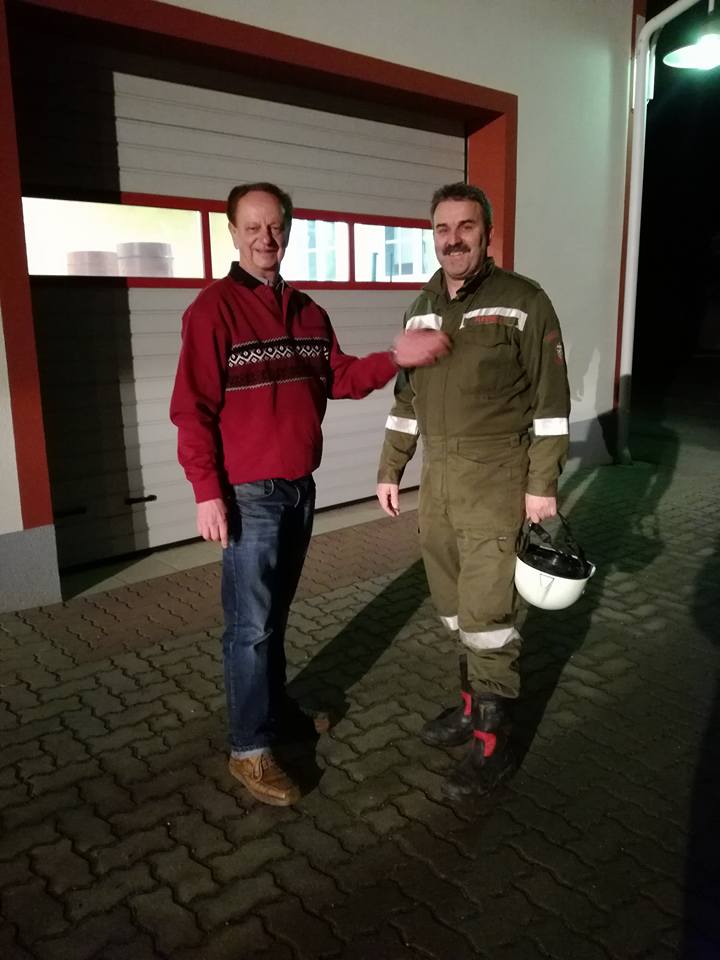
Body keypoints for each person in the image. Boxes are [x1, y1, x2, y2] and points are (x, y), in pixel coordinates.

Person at [170, 181, 449, 806]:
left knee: (274, 618)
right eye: (252, 227)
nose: (265, 238)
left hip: (299, 489)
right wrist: (207, 490)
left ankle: (274, 716)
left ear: (289, 230)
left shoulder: (307, 312)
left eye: (275, 226)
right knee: (250, 627)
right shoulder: (212, 311)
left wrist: (396, 356)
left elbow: (340, 377)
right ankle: (249, 749)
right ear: (233, 232)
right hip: (249, 495)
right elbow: (191, 408)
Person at [377, 182, 571, 801]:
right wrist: (391, 467)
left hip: (496, 476)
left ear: (487, 233)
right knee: (453, 603)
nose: (453, 239)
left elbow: (550, 406)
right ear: (433, 236)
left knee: (487, 614)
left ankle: (494, 741)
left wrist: (542, 487)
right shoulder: (421, 306)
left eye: (466, 227)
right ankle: (469, 708)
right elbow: (406, 399)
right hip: (438, 479)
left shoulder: (524, 301)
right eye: (443, 228)